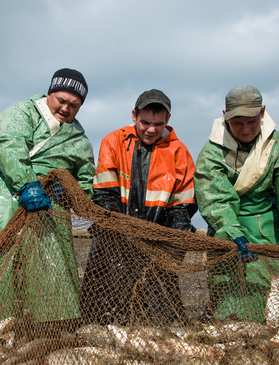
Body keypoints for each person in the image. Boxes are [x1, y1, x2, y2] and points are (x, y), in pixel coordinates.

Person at [0, 69, 95, 328]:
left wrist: (68, 194)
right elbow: (7, 145)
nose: (66, 108)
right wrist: (28, 184)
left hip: (51, 212)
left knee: (49, 275)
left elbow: (87, 183)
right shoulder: (21, 112)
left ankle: (41, 331)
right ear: (50, 94)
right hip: (7, 201)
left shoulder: (80, 141)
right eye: (61, 100)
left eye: (74, 105)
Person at [194, 85, 279, 322]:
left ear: (262, 113)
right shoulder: (212, 153)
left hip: (278, 231)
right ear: (225, 116)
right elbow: (216, 199)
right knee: (236, 310)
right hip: (233, 232)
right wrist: (232, 234)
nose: (245, 129)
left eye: (251, 121)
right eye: (237, 123)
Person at [82, 89, 197, 325]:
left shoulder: (179, 153)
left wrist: (178, 233)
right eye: (145, 122)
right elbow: (105, 197)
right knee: (99, 316)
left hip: (157, 251)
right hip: (113, 246)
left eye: (158, 123)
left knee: (160, 320)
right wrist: (123, 232)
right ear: (134, 115)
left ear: (168, 120)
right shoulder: (112, 142)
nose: (151, 129)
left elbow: (181, 208)